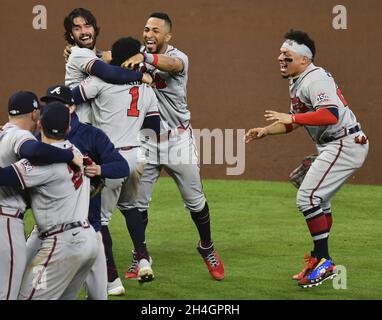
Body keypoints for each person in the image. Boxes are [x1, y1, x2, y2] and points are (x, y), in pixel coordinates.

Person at [244, 30, 369, 288]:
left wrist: (293, 118)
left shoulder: (316, 79)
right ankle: (317, 258)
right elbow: (293, 122)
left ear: (303, 59)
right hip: (335, 145)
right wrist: (266, 131)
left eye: (286, 55)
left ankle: (325, 261)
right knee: (315, 196)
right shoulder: (298, 79)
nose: (280, 57)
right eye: (280, 53)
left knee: (307, 197)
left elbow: (330, 114)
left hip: (345, 144)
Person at [121, 12, 225, 281]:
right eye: (146, 29)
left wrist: (144, 58)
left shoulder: (178, 58)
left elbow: (174, 65)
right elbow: (111, 55)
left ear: (168, 36)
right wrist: (83, 53)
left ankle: (207, 247)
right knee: (137, 205)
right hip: (145, 142)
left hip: (177, 141)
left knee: (195, 202)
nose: (149, 34)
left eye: (155, 31)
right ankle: (140, 255)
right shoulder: (136, 54)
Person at [72, 37, 161, 286]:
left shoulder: (100, 81)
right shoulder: (146, 87)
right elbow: (154, 126)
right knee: (131, 207)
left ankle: (112, 279)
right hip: (137, 156)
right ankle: (143, 258)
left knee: (100, 219)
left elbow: (71, 96)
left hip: (110, 159)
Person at [29, 85, 130, 298]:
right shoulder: (39, 139)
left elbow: (122, 166)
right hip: (45, 232)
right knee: (36, 287)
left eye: (59, 104)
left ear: (72, 107)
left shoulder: (92, 135)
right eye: (49, 104)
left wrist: (100, 169)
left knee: (98, 295)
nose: (51, 108)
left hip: (89, 230)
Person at [0, 102, 99, 300]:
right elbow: (96, 185)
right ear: (69, 128)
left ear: (40, 125)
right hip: (87, 243)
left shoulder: (42, 164)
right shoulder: (77, 153)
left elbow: (3, 177)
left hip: (61, 247)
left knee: (26, 297)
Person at [63, 7, 152, 123]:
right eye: (77, 29)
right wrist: (141, 76)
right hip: (79, 123)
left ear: (94, 29)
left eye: (87, 26)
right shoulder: (79, 53)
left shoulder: (95, 56)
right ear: (71, 35)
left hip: (92, 125)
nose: (84, 32)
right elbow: (109, 74)